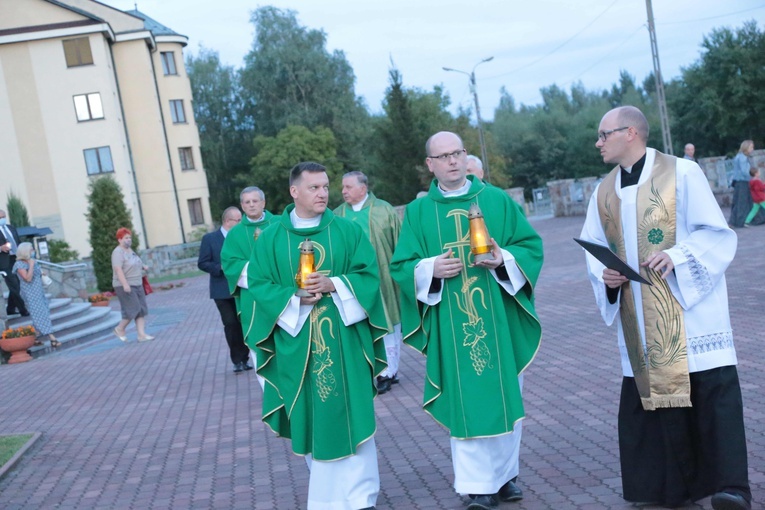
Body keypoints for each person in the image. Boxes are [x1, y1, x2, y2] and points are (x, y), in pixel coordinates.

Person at [580, 106, 751, 510]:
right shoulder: (604, 191)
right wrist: (606, 276)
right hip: (639, 319)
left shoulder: (682, 172)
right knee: (649, 403)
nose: (598, 142)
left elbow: (718, 235)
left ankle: (731, 488)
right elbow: (594, 249)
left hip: (692, 315)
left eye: (605, 135)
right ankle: (662, 490)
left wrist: (678, 256)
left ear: (632, 133)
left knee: (711, 397)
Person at [390, 131, 543, 510]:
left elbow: (530, 246)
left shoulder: (494, 199)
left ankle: (506, 476)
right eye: (442, 157)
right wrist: (430, 268)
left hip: (499, 318)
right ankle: (479, 486)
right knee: (466, 399)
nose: (452, 161)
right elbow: (401, 265)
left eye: (457, 153)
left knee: (506, 394)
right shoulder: (420, 211)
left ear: (464, 155)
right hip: (451, 323)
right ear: (430, 165)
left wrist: (503, 259)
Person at [247, 162, 387, 510]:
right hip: (298, 345)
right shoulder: (271, 239)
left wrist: (336, 284)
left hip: (346, 342)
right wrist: (291, 298)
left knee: (353, 415)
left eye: (325, 187)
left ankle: (362, 498)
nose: (323, 193)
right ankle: (328, 500)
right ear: (294, 192)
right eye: (314, 188)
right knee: (314, 419)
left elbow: (369, 275)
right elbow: (258, 286)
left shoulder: (347, 232)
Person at [334, 171, 402, 394]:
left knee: (388, 322)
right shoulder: (336, 216)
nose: (343, 191)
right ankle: (371, 368)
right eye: (343, 187)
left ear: (363, 188)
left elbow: (399, 245)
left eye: (348, 187)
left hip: (383, 278)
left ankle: (388, 371)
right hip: (354, 282)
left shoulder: (383, 210)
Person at [221, 187, 275, 380]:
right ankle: (268, 388)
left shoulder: (280, 224)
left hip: (282, 293)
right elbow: (230, 265)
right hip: (252, 298)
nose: (251, 205)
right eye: (246, 202)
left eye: (255, 201)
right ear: (242, 206)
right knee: (258, 339)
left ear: (263, 203)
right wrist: (258, 272)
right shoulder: (235, 234)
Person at [198, 207, 253, 373]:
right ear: (228, 221)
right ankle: (237, 360)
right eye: (238, 220)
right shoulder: (210, 239)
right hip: (221, 290)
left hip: (241, 288)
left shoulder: (242, 237)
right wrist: (219, 267)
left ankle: (246, 357)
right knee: (230, 324)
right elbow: (202, 262)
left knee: (243, 322)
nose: (241, 222)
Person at [12, 242, 59, 348]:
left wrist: (41, 273)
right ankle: (53, 339)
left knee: (43, 313)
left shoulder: (34, 261)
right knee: (40, 315)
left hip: (39, 291)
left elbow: (37, 274)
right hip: (30, 293)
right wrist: (31, 265)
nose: (33, 251)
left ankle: (35, 337)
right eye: (31, 249)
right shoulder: (19, 264)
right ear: (25, 251)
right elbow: (27, 279)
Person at [111, 228, 153, 342]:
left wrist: (143, 266)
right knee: (133, 308)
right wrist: (125, 285)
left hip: (137, 283)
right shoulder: (117, 252)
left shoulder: (130, 250)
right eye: (126, 238)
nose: (129, 240)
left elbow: (135, 261)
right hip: (124, 285)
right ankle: (120, 328)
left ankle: (141, 335)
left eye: (130, 238)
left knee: (141, 310)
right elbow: (118, 269)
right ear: (119, 240)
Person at [0, 209, 29, 317]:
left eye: (3, 217)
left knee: (18, 284)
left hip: (16, 259)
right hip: (4, 262)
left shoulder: (11, 228)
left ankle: (11, 308)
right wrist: (0, 248)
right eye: (0, 218)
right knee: (14, 285)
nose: (2, 219)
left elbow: (18, 242)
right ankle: (23, 310)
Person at [728, 140, 755, 228]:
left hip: (738, 182)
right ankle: (740, 221)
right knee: (742, 202)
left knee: (737, 202)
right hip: (742, 181)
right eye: (751, 147)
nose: (752, 149)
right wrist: (753, 176)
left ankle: (734, 221)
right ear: (746, 147)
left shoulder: (739, 156)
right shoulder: (743, 157)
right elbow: (745, 171)